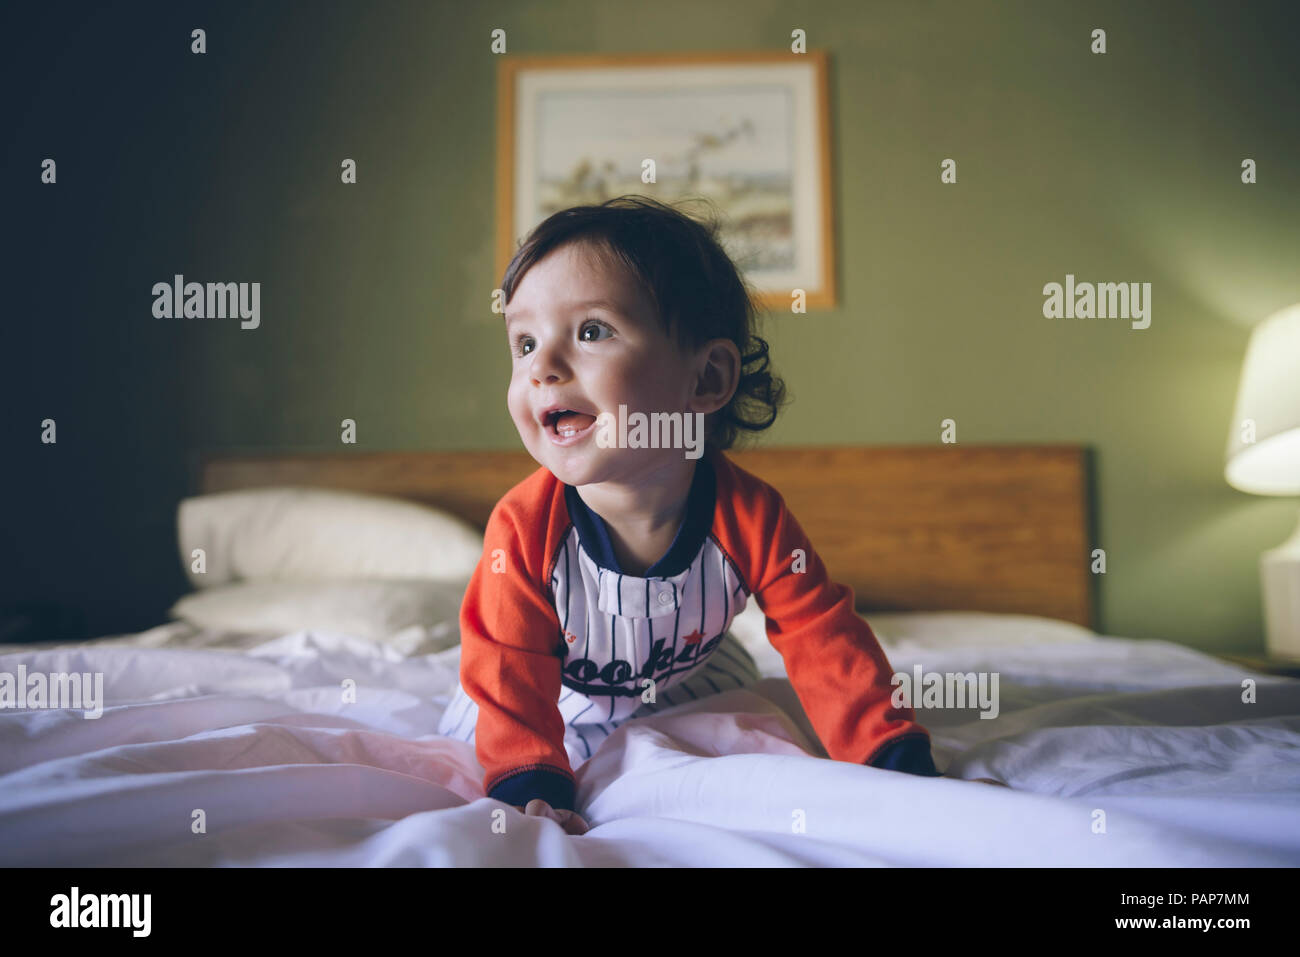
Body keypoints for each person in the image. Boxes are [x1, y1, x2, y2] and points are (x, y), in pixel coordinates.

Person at [437, 196, 1004, 837]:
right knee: (493, 711)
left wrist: (895, 764)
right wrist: (530, 783)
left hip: (686, 677)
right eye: (524, 341)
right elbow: (506, 662)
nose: (541, 367)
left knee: (751, 710)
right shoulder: (524, 527)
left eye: (591, 330)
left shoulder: (751, 516)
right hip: (545, 700)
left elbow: (824, 641)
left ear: (706, 378)